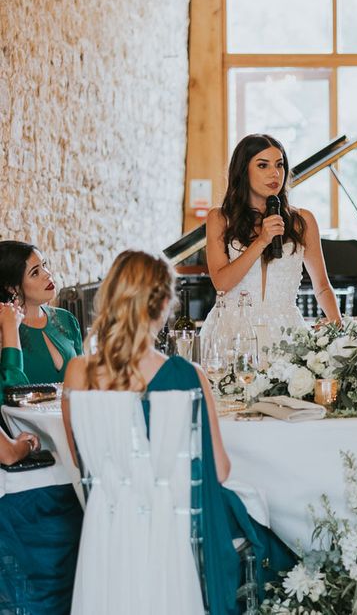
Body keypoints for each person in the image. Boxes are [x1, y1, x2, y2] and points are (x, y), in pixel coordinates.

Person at [62, 250, 295, 614]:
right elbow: (220, 471)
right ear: (166, 304)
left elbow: (83, 462)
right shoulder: (189, 376)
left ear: (109, 298)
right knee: (265, 524)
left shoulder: (78, 372)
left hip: (107, 533)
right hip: (176, 535)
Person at [202, 134, 341, 353]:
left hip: (286, 335)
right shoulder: (219, 218)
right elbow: (221, 283)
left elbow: (322, 286)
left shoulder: (302, 221)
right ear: (243, 171)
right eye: (262, 165)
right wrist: (262, 240)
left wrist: (337, 326)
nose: (274, 173)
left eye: (279, 164)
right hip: (233, 334)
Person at [0, 300, 83, 614]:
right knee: (72, 479)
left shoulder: (61, 321)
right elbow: (8, 453)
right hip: (11, 500)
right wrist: (26, 444)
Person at [0, 240, 83, 401]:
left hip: (73, 421)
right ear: (12, 288)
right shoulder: (6, 331)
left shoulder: (67, 319)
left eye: (44, 265)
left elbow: (85, 380)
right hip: (26, 425)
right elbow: (10, 396)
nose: (47, 274)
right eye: (35, 273)